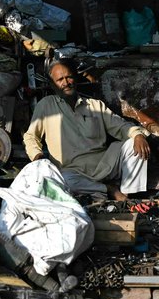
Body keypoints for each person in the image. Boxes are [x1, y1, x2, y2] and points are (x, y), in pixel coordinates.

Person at [23, 59, 151, 201]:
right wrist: (37, 157)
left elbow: (120, 126)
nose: (66, 82)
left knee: (136, 144)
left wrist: (138, 135)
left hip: (104, 165)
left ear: (75, 78)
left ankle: (128, 195)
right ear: (53, 85)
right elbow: (30, 136)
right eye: (60, 80)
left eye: (69, 77)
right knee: (59, 182)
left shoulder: (95, 105)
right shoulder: (46, 106)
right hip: (72, 172)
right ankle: (108, 189)